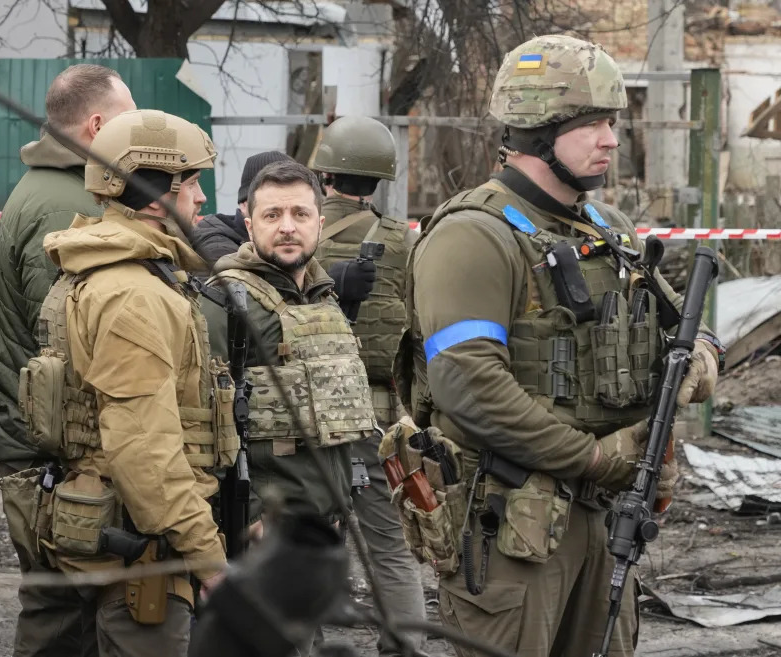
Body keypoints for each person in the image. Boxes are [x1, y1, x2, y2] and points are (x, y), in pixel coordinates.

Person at [394, 35, 723, 657]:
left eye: (612, 123)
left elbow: (682, 329)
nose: (611, 139)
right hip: (513, 524)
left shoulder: (609, 230)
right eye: (595, 124)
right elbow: (469, 388)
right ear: (540, 130)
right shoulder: (474, 236)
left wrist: (698, 362)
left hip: (605, 517)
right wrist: (596, 460)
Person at [25, 109, 227, 656]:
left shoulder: (109, 271)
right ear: (155, 194)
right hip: (141, 542)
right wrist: (206, 555)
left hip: (116, 523)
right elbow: (143, 449)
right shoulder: (134, 294)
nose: (202, 199)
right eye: (192, 183)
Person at [0, 63, 135, 657]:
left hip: (43, 444)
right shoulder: (66, 204)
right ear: (96, 126)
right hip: (52, 451)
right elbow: (75, 338)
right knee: (61, 617)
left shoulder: (60, 187)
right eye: (128, 123)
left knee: (60, 607)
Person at [200, 159, 375, 568]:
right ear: (249, 225)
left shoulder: (323, 297)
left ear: (319, 221)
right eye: (272, 215)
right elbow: (197, 435)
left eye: (300, 213)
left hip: (322, 530)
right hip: (260, 541)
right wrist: (254, 518)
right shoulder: (223, 303)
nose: (287, 227)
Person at [311, 115, 429, 657]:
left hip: (304, 412)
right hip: (382, 414)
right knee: (391, 546)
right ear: (381, 179)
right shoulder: (405, 243)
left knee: (300, 540)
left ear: (323, 172)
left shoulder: (293, 233)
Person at [190, 150, 293, 264]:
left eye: (297, 211)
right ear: (244, 204)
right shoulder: (218, 248)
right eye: (272, 213)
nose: (287, 226)